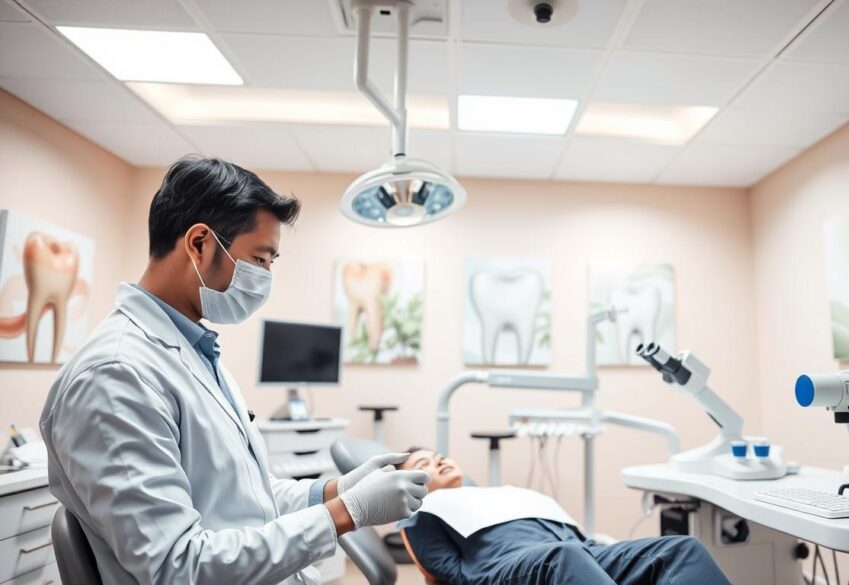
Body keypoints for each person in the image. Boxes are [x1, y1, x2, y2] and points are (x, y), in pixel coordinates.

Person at [40, 156, 430, 585]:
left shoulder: (197, 353)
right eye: (260, 260)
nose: (265, 277)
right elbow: (178, 567)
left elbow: (245, 497)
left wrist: (335, 490)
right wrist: (345, 514)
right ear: (200, 243)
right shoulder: (116, 376)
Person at [397, 447, 730, 585]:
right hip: (509, 566)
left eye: (439, 455)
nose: (437, 461)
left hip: (579, 550)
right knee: (564, 557)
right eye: (422, 464)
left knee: (680, 548)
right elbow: (451, 573)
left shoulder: (505, 493)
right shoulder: (424, 510)